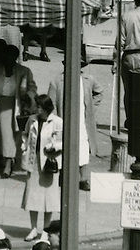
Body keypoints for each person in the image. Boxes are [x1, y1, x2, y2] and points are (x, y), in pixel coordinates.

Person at [0, 44, 37, 179]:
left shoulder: (24, 71)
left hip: (15, 106)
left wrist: (28, 95)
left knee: (9, 134)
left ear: (16, 57)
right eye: (6, 56)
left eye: (12, 56)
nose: (8, 59)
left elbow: (32, 88)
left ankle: (9, 163)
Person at [48, 60, 103, 191]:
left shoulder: (88, 79)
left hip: (81, 119)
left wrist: (91, 108)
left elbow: (99, 92)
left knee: (83, 145)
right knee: (62, 145)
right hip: (63, 118)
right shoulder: (57, 81)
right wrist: (55, 120)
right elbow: (51, 103)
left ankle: (83, 178)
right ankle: (63, 174)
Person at [21, 94, 63, 242]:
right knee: (32, 197)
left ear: (46, 108)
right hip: (33, 161)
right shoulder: (32, 119)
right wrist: (24, 146)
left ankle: (46, 230)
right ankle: (33, 228)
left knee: (48, 199)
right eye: (37, 106)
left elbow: (62, 141)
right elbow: (25, 135)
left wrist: (54, 146)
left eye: (39, 106)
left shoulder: (57, 121)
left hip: (49, 162)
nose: (37, 109)